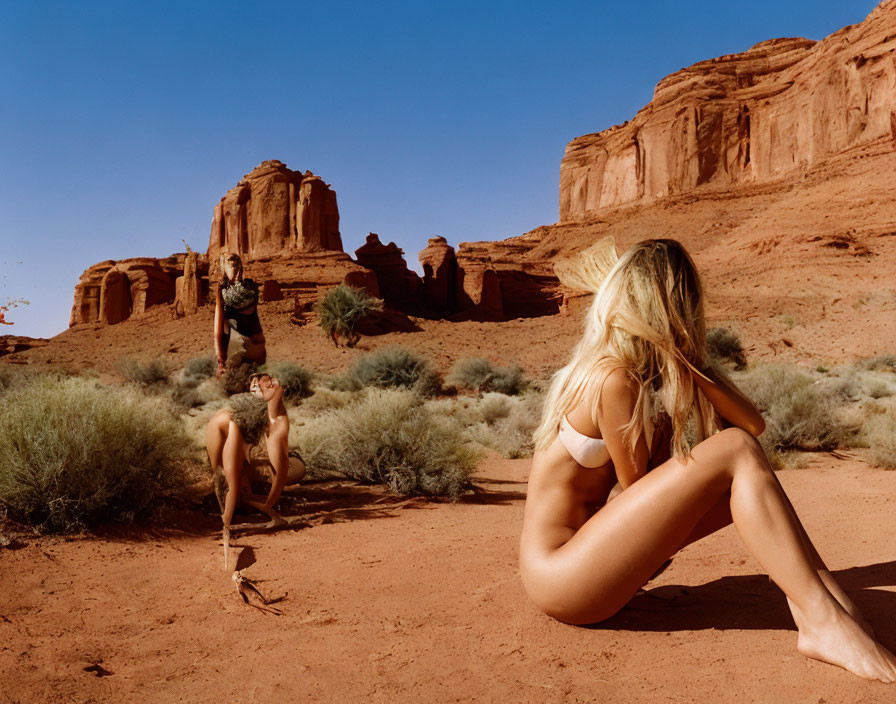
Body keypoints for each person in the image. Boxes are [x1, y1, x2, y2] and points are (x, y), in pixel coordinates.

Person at [520, 237, 896, 683]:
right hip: (564, 578)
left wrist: (686, 358)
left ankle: (827, 602)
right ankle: (822, 622)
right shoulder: (614, 377)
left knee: (747, 472)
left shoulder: (629, 372)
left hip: (583, 571)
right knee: (734, 453)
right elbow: (637, 489)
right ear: (668, 306)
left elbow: (752, 425)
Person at [205, 372, 305, 535]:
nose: (257, 387)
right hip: (236, 434)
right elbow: (278, 472)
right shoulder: (267, 426)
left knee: (228, 477)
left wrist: (268, 503)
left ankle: (227, 518)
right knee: (228, 476)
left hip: (235, 435)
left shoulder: (268, 425)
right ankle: (228, 517)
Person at [214, 252, 266, 378]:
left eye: (237, 265)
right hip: (246, 344)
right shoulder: (226, 289)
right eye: (233, 266)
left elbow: (218, 330)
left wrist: (220, 358)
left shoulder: (248, 287)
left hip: (248, 344)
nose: (236, 268)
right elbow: (218, 327)